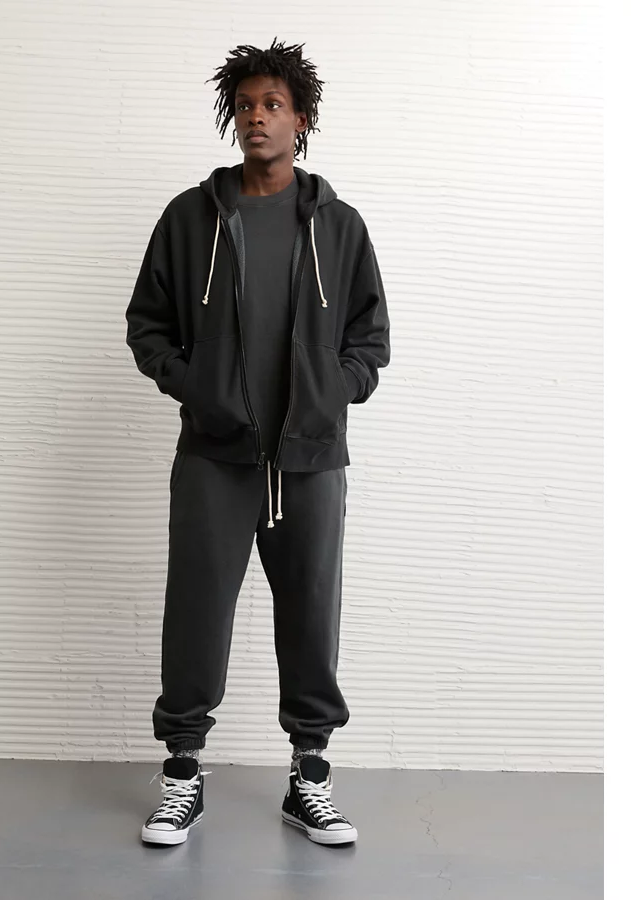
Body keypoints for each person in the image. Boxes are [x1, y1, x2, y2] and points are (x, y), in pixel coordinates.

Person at [125, 37, 390, 846]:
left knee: (311, 614)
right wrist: (197, 387)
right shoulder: (191, 218)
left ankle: (309, 778)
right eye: (245, 106)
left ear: (301, 119)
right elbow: (147, 326)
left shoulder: (339, 226)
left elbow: (370, 338)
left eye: (273, 105)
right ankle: (182, 773)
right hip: (216, 455)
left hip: (311, 459)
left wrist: (333, 391)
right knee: (196, 613)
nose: (257, 118)